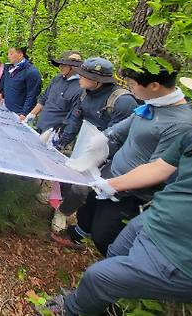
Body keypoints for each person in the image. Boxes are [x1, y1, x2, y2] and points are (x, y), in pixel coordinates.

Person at [36, 64, 192, 316]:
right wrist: (110, 182)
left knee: (98, 276)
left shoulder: (182, 124)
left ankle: (72, 309)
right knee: (113, 251)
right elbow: (158, 167)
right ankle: (103, 299)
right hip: (155, 220)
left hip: (186, 253)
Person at [52, 55, 192, 255]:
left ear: (154, 85)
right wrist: (102, 140)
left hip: (131, 193)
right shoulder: (152, 104)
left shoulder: (181, 123)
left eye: (132, 84)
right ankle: (77, 235)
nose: (130, 89)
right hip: (109, 174)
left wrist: (114, 185)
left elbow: (157, 169)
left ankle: (113, 268)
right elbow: (123, 127)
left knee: (104, 235)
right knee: (87, 210)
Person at [49, 57, 138, 233]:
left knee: (82, 189)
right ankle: (60, 201)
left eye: (83, 75)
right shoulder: (85, 93)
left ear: (97, 81)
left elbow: (121, 136)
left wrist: (98, 157)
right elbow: (76, 117)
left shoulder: (122, 101)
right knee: (67, 175)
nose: (79, 78)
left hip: (106, 155)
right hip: (84, 142)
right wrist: (62, 141)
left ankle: (63, 212)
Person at [22, 51, 83, 132]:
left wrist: (60, 137)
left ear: (74, 67)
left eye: (64, 65)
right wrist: (31, 115)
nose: (60, 67)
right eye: (60, 64)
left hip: (53, 134)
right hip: (39, 127)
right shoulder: (57, 78)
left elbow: (73, 119)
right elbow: (44, 98)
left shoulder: (80, 88)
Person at [0, 47, 42, 119]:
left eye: (11, 54)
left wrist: (24, 113)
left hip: (19, 113)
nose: (8, 56)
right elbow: (9, 85)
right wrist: (2, 94)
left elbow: (32, 95)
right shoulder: (8, 67)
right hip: (6, 107)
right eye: (8, 54)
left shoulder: (31, 72)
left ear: (20, 55)